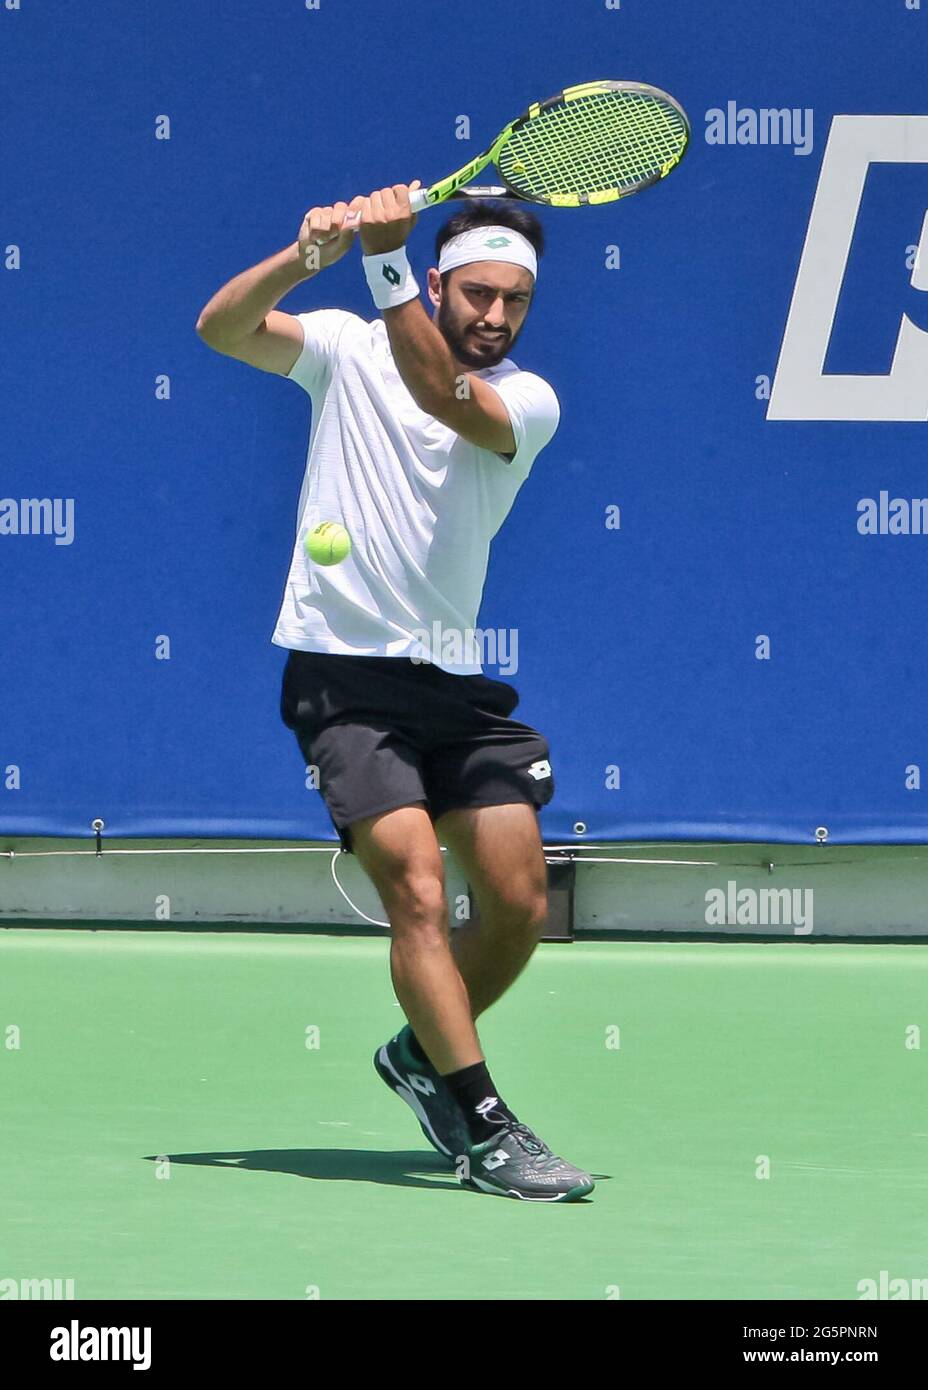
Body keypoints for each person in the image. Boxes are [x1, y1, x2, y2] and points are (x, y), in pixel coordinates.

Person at [195, 182, 593, 1201]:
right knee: (416, 885)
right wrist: (305, 255)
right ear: (438, 283)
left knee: (515, 899)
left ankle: (420, 1055)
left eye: (515, 302)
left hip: (451, 686)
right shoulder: (342, 346)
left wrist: (377, 264)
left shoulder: (529, 402)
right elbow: (221, 328)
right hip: (341, 676)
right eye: (477, 296)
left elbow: (440, 397)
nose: (496, 317)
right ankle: (481, 1118)